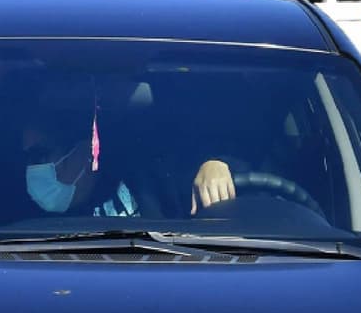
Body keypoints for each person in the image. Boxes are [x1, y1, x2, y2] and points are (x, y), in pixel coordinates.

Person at [17, 79, 237, 218]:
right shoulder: (15, 225)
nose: (32, 169)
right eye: (28, 157)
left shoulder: (152, 174)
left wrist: (216, 164)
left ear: (84, 152)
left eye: (40, 155)